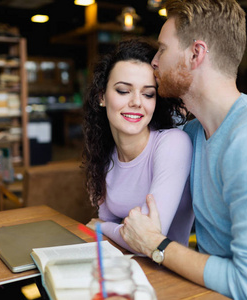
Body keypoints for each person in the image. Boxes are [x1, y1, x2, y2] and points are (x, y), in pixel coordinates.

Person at [120, 1, 247, 299]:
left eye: (162, 49)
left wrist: (157, 245)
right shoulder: (193, 134)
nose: (154, 62)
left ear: (195, 54)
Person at [82, 38, 194, 253]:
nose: (136, 102)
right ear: (102, 97)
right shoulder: (104, 153)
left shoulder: (172, 144)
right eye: (123, 91)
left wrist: (102, 227)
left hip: (169, 276)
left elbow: (149, 239)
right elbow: (108, 227)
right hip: (124, 268)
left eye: (148, 93)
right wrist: (106, 227)